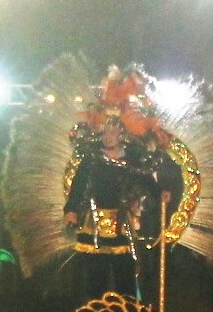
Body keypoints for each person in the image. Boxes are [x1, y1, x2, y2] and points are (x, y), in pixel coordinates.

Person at [63, 117, 164, 299]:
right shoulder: (92, 159)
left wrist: (160, 193)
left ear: (121, 135)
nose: (108, 137)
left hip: (121, 223)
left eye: (112, 132)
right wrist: (71, 210)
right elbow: (78, 186)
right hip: (94, 224)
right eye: (105, 132)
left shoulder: (132, 160)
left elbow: (147, 181)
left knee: (125, 273)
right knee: (95, 275)